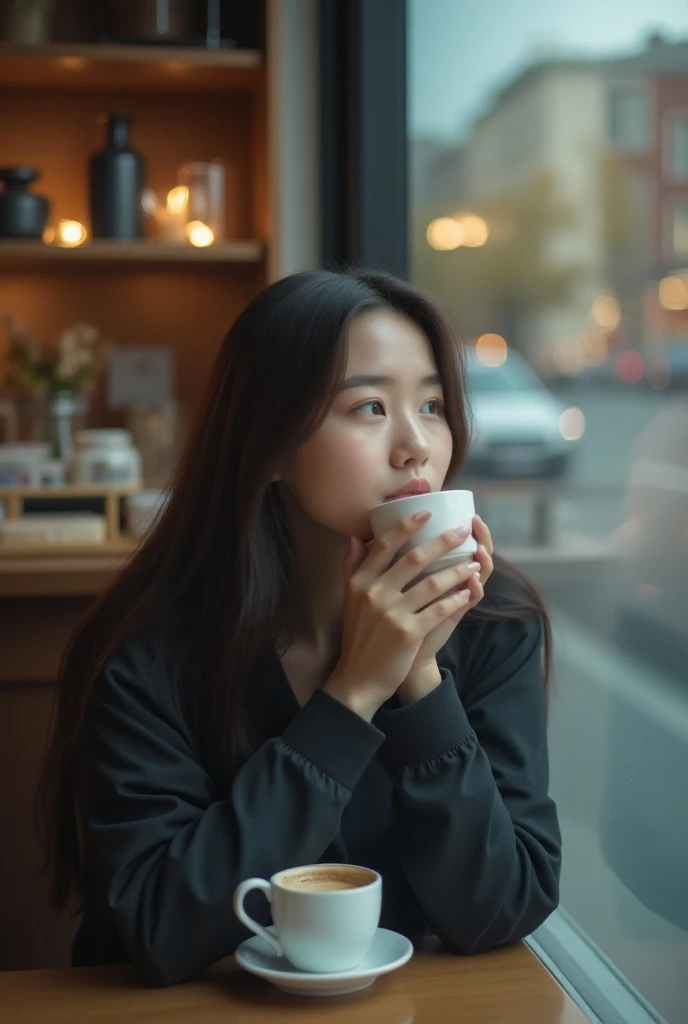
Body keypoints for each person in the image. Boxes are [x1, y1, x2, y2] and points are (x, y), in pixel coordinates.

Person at [35, 269, 561, 987]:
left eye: (432, 404)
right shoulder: (150, 652)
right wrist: (349, 698)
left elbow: (501, 908)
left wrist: (420, 682)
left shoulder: (494, 624)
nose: (416, 446)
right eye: (370, 406)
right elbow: (159, 928)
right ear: (273, 444)